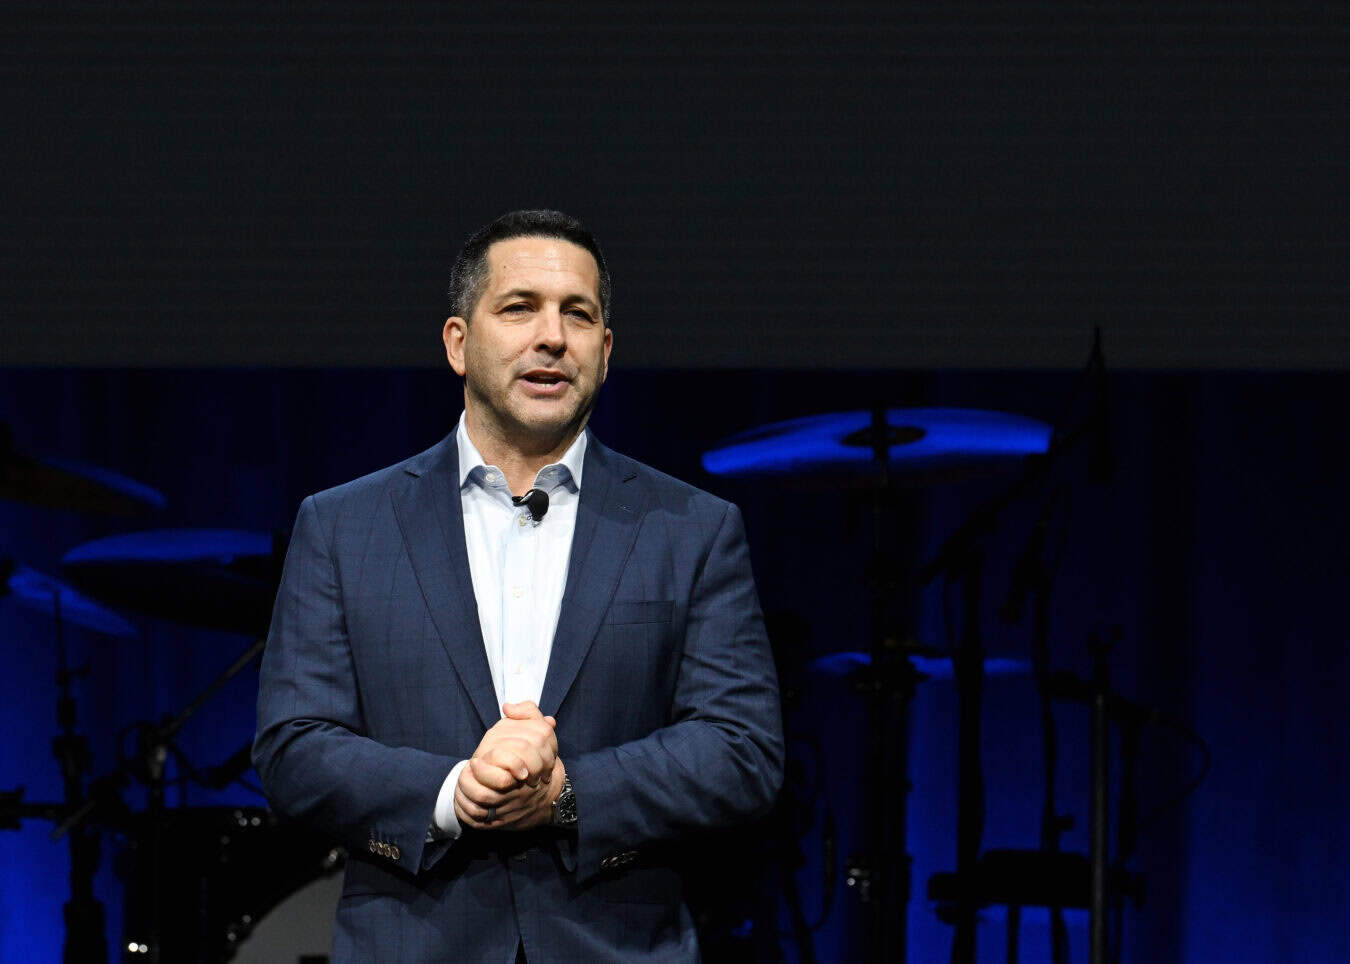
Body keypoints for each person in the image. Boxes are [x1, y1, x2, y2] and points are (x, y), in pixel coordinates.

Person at [253, 209, 784, 962]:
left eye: (578, 314)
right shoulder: (343, 526)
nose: (552, 337)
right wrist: (454, 791)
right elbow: (293, 747)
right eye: (518, 308)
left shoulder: (691, 528)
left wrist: (566, 795)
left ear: (604, 351)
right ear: (459, 344)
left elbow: (742, 751)